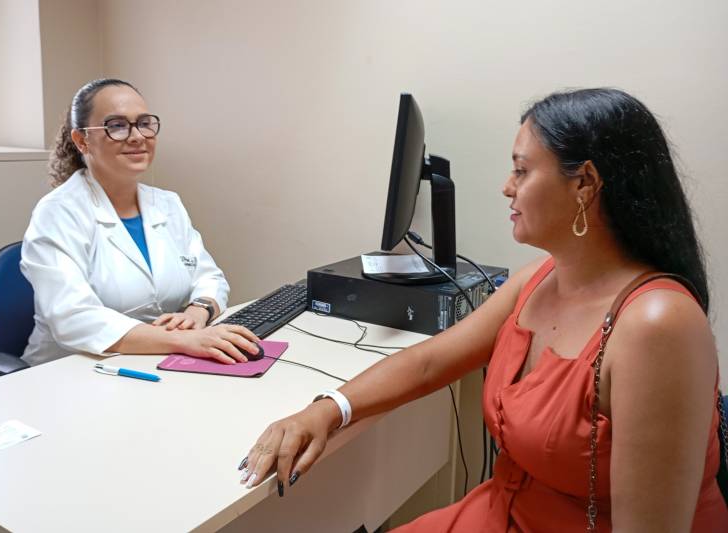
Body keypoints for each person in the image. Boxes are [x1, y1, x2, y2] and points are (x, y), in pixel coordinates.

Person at [238, 88, 728, 531]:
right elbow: (430, 361)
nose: (506, 188)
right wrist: (325, 411)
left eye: (521, 170)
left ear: (585, 184)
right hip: (502, 513)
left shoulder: (657, 327)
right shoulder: (537, 279)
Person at [21, 78, 259, 366]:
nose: (137, 136)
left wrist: (197, 312)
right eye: (117, 126)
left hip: (156, 362)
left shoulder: (167, 204)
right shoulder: (58, 213)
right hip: (70, 372)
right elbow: (73, 317)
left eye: (144, 123)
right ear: (82, 140)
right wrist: (184, 341)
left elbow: (209, 278)